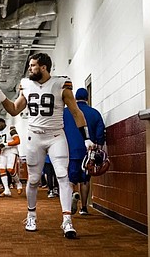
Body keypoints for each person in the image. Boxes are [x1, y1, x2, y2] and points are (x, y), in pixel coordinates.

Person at [0, 52, 91, 239]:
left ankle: (67, 220)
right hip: (34, 137)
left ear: (44, 67)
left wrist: (86, 138)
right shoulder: (27, 85)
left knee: (63, 176)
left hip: (56, 136)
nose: (30, 68)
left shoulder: (61, 84)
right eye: (30, 66)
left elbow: (76, 112)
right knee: (34, 179)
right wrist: (1, 96)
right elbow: (14, 109)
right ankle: (31, 215)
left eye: (33, 66)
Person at [63, 87, 106, 215]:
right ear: (87, 98)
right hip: (88, 150)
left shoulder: (66, 112)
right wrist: (99, 146)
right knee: (86, 179)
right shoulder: (95, 113)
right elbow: (100, 133)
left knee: (70, 178)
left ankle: (73, 196)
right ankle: (84, 207)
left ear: (75, 98)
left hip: (70, 149)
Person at [0, 118, 24, 197]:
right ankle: (6, 190)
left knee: (10, 169)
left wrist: (6, 144)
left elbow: (17, 141)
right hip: (3, 152)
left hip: (11, 151)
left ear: (3, 123)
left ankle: (18, 183)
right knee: (2, 170)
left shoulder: (11, 129)